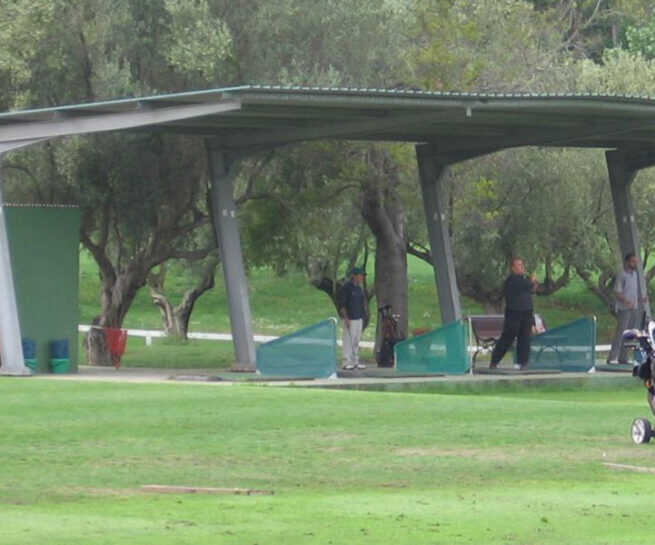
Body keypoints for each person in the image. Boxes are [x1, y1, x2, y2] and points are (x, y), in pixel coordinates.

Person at [490, 257, 539, 369]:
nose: (522, 267)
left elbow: (532, 289)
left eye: (522, 265)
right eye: (518, 265)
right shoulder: (512, 280)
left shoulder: (524, 279)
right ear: (513, 268)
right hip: (514, 313)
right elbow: (525, 285)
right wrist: (531, 281)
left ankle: (523, 363)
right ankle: (494, 361)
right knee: (508, 338)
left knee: (525, 338)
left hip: (526, 312)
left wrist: (534, 283)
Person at [608, 252, 647, 365]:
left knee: (629, 334)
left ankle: (623, 357)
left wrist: (640, 299)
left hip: (633, 308)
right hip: (624, 309)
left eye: (635, 262)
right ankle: (612, 357)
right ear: (627, 262)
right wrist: (626, 301)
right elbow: (617, 292)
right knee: (620, 332)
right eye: (632, 261)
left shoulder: (635, 275)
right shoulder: (622, 275)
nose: (634, 264)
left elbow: (632, 293)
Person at [339, 267, 368, 370]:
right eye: (360, 275)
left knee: (356, 340)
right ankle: (346, 362)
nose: (362, 278)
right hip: (350, 318)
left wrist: (363, 317)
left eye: (362, 276)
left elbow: (362, 304)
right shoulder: (346, 288)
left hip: (358, 318)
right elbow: (342, 305)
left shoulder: (359, 288)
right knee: (348, 340)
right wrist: (346, 318)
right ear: (354, 276)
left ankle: (355, 361)